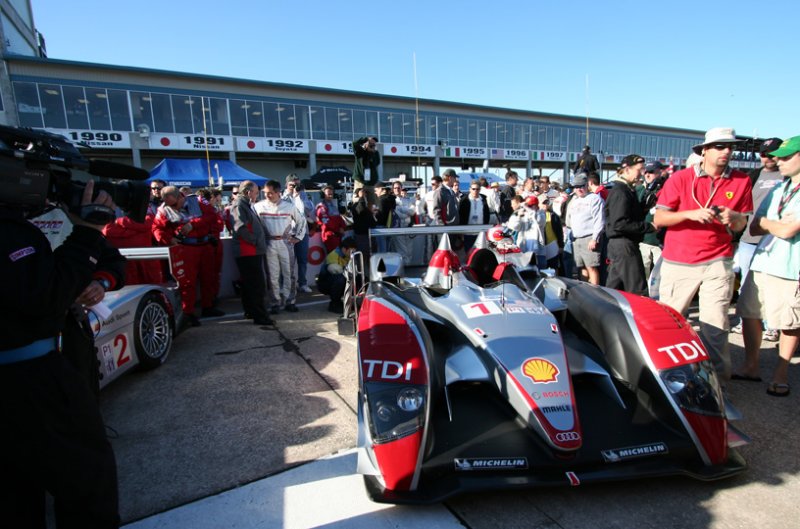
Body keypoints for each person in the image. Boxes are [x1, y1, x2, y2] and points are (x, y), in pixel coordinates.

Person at [1, 180, 120, 528]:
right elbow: (41, 295)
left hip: (69, 341)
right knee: (83, 477)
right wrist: (86, 234)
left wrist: (104, 282)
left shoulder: (69, 218)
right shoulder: (18, 231)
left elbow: (112, 263)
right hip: (34, 363)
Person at [654, 127, 753, 380]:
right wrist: (689, 214)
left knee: (716, 326)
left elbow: (743, 224)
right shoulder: (680, 178)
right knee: (672, 324)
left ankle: (718, 385)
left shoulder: (741, 180)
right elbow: (660, 218)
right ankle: (669, 379)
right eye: (720, 146)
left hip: (718, 259)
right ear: (705, 150)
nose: (727, 151)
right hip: (679, 261)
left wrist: (735, 218)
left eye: (730, 146)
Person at [733, 135, 800, 396]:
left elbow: (787, 231)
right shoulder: (778, 189)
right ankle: (752, 366)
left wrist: (774, 225)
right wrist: (778, 225)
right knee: (749, 312)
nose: (778, 161)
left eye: (786, 156)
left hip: (789, 267)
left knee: (789, 321)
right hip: (763, 262)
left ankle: (781, 373)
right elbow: (755, 225)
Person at [730, 137, 783, 340]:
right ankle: (745, 322)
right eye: (763, 154)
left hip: (775, 241)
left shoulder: (787, 177)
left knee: (771, 284)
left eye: (771, 154)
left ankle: (771, 325)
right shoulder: (753, 175)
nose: (766, 158)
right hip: (748, 239)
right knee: (746, 283)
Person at [152, 186, 224, 326]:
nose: (172, 207)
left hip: (204, 245)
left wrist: (193, 225)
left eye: (173, 204)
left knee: (208, 278)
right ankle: (188, 313)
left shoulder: (197, 202)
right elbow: (156, 229)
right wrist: (168, 239)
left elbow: (211, 216)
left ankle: (208, 307)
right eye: (168, 204)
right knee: (187, 282)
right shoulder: (163, 210)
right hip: (185, 248)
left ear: (180, 196)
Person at [254, 180, 307, 314]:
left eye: (270, 193)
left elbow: (302, 221)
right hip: (268, 244)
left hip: (285, 243)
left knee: (289, 273)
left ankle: (290, 301)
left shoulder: (289, 206)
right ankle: (275, 302)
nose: (267, 195)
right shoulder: (258, 206)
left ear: (278, 192)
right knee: (272, 275)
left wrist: (297, 238)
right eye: (265, 193)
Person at [604, 154, 654, 295]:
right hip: (624, 246)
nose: (642, 173)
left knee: (614, 289)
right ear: (627, 170)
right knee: (638, 290)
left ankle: (608, 315)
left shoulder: (625, 190)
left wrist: (643, 208)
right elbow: (620, 224)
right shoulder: (621, 191)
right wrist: (649, 227)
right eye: (640, 169)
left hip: (621, 246)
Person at [231, 181, 273, 326]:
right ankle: (260, 316)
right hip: (248, 251)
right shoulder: (239, 205)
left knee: (250, 285)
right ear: (248, 192)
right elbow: (240, 227)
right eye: (255, 192)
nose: (257, 195)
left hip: (251, 250)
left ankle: (251, 311)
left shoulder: (245, 205)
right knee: (257, 285)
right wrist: (255, 241)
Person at [564, 173, 605, 285]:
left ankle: (595, 292)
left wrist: (595, 238)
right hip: (576, 238)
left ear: (587, 185)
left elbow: (599, 220)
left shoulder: (594, 199)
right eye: (576, 187)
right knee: (580, 267)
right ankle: (585, 290)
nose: (579, 189)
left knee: (591, 267)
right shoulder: (574, 201)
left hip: (589, 238)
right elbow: (569, 220)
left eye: (581, 186)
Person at [284, 175, 315, 294]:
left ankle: (302, 283)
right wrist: (292, 196)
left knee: (302, 260)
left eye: (298, 184)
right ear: (287, 185)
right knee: (288, 261)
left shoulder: (303, 195)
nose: (296, 187)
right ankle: (288, 285)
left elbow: (310, 210)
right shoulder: (283, 197)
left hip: (303, 233)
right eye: (293, 185)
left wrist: (300, 196)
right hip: (289, 234)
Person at [636, 161, 667, 278]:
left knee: (661, 276)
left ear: (660, 172)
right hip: (644, 241)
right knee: (643, 274)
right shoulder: (639, 190)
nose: (647, 175)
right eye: (646, 172)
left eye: (651, 172)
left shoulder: (666, 189)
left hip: (660, 242)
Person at [317, 237, 358, 313]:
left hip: (338, 278)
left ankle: (352, 302)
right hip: (325, 283)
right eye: (351, 251)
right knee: (341, 279)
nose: (352, 254)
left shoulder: (349, 256)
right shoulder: (333, 255)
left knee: (360, 279)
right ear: (344, 249)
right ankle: (334, 304)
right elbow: (335, 270)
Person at [459, 181, 490, 250]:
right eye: (473, 189)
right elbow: (461, 215)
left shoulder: (483, 200)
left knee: (479, 253)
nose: (475, 191)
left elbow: (487, 214)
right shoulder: (464, 200)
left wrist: (485, 228)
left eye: (477, 189)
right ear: (470, 189)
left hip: (480, 232)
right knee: (469, 253)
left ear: (480, 190)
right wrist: (461, 231)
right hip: (468, 232)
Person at [352, 136, 380, 207]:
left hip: (371, 183)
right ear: (366, 143)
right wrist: (366, 139)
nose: (372, 145)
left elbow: (376, 163)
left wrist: (371, 153)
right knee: (359, 201)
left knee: (372, 203)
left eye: (374, 144)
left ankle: (370, 216)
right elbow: (354, 143)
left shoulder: (375, 153)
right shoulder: (360, 152)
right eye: (371, 143)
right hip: (361, 182)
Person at [316, 184, 345, 252]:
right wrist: (338, 229)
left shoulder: (333, 205)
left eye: (332, 194)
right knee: (333, 256)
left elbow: (339, 218)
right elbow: (326, 222)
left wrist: (342, 227)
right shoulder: (321, 207)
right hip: (329, 235)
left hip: (337, 235)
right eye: (328, 194)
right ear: (323, 195)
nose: (331, 196)